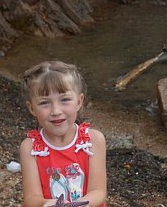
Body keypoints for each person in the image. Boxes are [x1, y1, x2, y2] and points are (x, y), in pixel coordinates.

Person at [20, 61, 107, 207]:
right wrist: (50, 204)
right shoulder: (29, 148)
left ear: (79, 101)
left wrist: (79, 205)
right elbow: (31, 198)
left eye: (65, 100)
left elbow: (98, 191)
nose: (56, 111)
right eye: (44, 103)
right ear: (32, 108)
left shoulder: (94, 140)